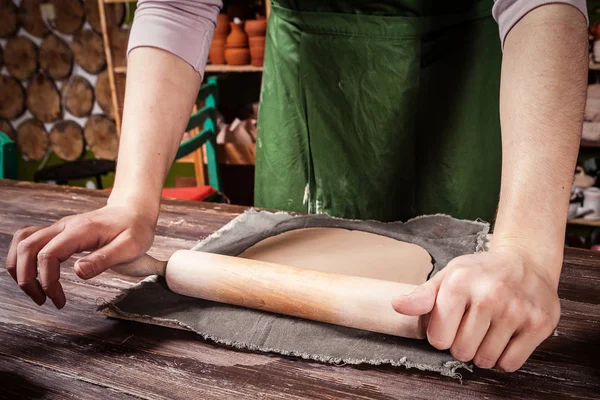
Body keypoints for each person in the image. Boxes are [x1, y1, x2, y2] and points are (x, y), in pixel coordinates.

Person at [6, 0, 588, 372]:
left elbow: (545, 3)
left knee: (467, 303)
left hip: (460, 73)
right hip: (313, 81)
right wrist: (132, 199)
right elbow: (179, 7)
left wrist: (525, 252)